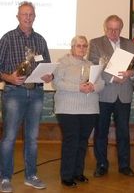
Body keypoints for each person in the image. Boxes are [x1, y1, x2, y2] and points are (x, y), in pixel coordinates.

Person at [0, 1, 53, 192]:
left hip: (37, 93)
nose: (28, 17)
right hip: (14, 93)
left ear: (35, 17)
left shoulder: (40, 40)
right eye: (24, 14)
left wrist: (50, 75)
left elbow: (48, 66)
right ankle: (5, 178)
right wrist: (10, 78)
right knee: (9, 138)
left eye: (31, 14)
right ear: (18, 17)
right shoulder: (7, 38)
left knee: (32, 138)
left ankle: (31, 175)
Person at [88, 15, 134, 177]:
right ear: (105, 28)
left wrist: (131, 73)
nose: (114, 32)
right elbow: (94, 65)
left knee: (124, 132)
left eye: (117, 29)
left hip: (124, 94)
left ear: (121, 29)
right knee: (101, 132)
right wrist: (111, 77)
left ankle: (124, 165)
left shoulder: (130, 44)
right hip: (104, 94)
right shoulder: (95, 43)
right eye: (110, 29)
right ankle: (101, 164)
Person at [53, 35, 104, 187]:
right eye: (79, 45)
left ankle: (78, 173)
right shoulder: (63, 63)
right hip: (68, 109)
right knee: (72, 141)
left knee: (82, 142)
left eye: (84, 46)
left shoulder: (91, 65)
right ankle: (67, 176)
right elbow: (57, 83)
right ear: (72, 47)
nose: (82, 48)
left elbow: (101, 84)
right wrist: (78, 88)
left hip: (89, 109)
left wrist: (93, 87)